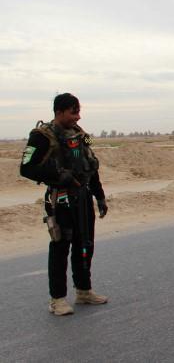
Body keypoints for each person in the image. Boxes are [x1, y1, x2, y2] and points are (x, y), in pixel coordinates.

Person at [19, 93, 109, 316]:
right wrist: (60, 175)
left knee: (85, 245)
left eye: (78, 112)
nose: (78, 117)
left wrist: (99, 196)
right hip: (60, 200)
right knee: (60, 248)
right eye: (73, 112)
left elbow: (92, 163)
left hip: (83, 198)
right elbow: (26, 168)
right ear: (59, 111)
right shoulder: (41, 136)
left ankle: (84, 290)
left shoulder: (82, 135)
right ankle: (57, 299)